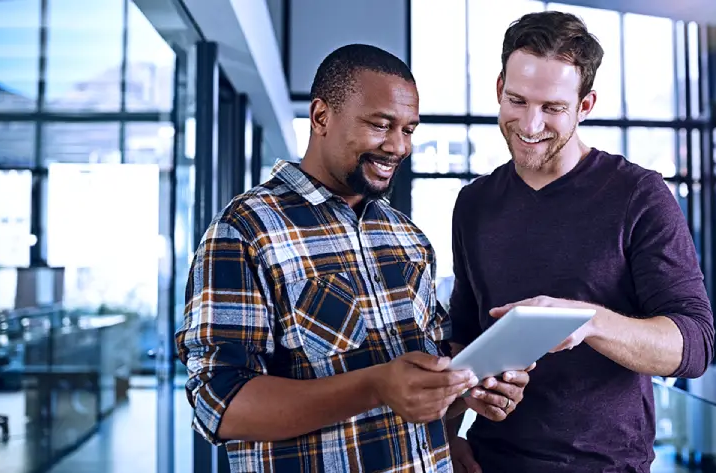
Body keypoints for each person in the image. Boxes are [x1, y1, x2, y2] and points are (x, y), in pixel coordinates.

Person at [176, 43, 531, 472]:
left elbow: (428, 373)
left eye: (409, 129)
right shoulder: (246, 231)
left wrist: (466, 386)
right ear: (321, 117)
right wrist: (375, 387)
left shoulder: (406, 237)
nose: (399, 146)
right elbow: (220, 404)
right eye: (381, 125)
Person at [446, 11, 715, 473]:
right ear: (498, 90)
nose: (530, 125)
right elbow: (463, 340)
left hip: (607, 465)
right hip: (491, 462)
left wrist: (588, 322)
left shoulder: (638, 195)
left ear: (585, 105)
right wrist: (449, 437)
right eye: (517, 100)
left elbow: (694, 347)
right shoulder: (474, 203)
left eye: (552, 108)